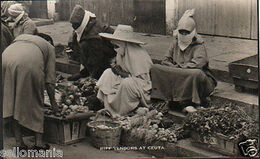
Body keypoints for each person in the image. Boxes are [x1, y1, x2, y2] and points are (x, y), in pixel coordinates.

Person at [151, 9, 217, 112]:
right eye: (181, 32)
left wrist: (178, 68)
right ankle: (162, 99)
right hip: (179, 74)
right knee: (155, 68)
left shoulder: (199, 45)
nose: (184, 35)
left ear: (192, 32)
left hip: (196, 77)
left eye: (186, 33)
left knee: (196, 74)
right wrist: (174, 68)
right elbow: (165, 59)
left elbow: (197, 64)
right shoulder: (175, 42)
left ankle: (189, 102)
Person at [2, 34, 58, 150]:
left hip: (5, 57)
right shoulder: (49, 47)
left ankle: (19, 143)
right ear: (49, 41)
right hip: (28, 62)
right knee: (37, 101)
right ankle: (39, 143)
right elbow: (49, 82)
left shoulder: (24, 37)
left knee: (11, 100)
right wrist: (54, 104)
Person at [96, 25, 153, 117]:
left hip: (139, 84)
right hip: (124, 78)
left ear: (124, 44)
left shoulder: (138, 55)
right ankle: (108, 107)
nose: (115, 49)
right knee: (107, 73)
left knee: (127, 83)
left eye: (116, 46)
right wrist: (116, 69)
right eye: (114, 46)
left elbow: (143, 79)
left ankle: (121, 111)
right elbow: (120, 69)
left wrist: (123, 74)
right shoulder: (121, 52)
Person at [67, 5, 117, 81]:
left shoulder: (93, 36)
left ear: (81, 22)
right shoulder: (85, 25)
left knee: (86, 46)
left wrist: (92, 78)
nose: (73, 27)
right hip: (100, 53)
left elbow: (97, 60)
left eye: (75, 25)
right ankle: (87, 73)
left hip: (110, 56)